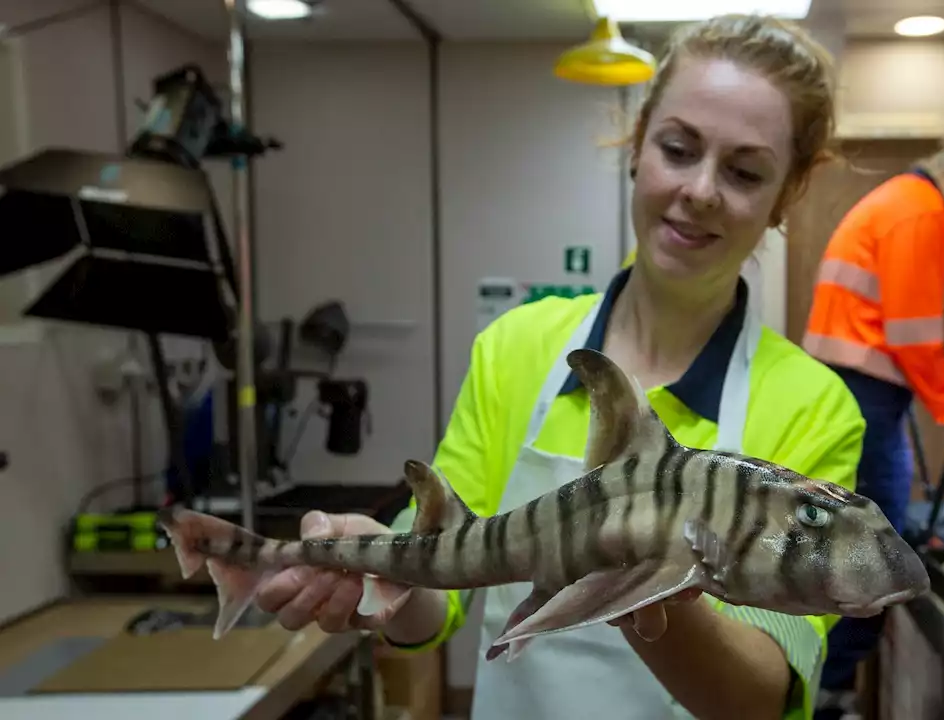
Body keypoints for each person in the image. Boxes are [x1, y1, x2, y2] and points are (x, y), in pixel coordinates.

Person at [254, 14, 869, 720]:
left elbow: (759, 699)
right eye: (678, 148)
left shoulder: (812, 406)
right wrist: (377, 574)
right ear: (638, 147)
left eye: (744, 171)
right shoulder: (518, 348)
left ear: (784, 198)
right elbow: (439, 602)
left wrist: (636, 568)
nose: (700, 190)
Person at [801, 111, 944, 716]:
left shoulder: (898, 201)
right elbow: (909, 334)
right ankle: (829, 694)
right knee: (875, 549)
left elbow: (900, 320)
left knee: (852, 540)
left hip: (851, 384)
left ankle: (828, 686)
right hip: (866, 391)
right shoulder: (919, 209)